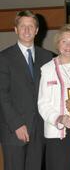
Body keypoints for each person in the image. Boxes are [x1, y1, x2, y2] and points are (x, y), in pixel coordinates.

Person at [0, 10, 53, 170]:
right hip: (13, 129)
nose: (27, 30)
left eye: (31, 26)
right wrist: (17, 124)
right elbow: (2, 95)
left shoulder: (48, 57)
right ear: (15, 29)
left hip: (39, 129)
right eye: (22, 26)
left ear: (37, 30)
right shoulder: (4, 58)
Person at [37, 24, 70, 170]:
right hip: (56, 133)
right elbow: (42, 103)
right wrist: (60, 118)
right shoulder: (47, 69)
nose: (68, 46)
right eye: (64, 41)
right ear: (58, 44)